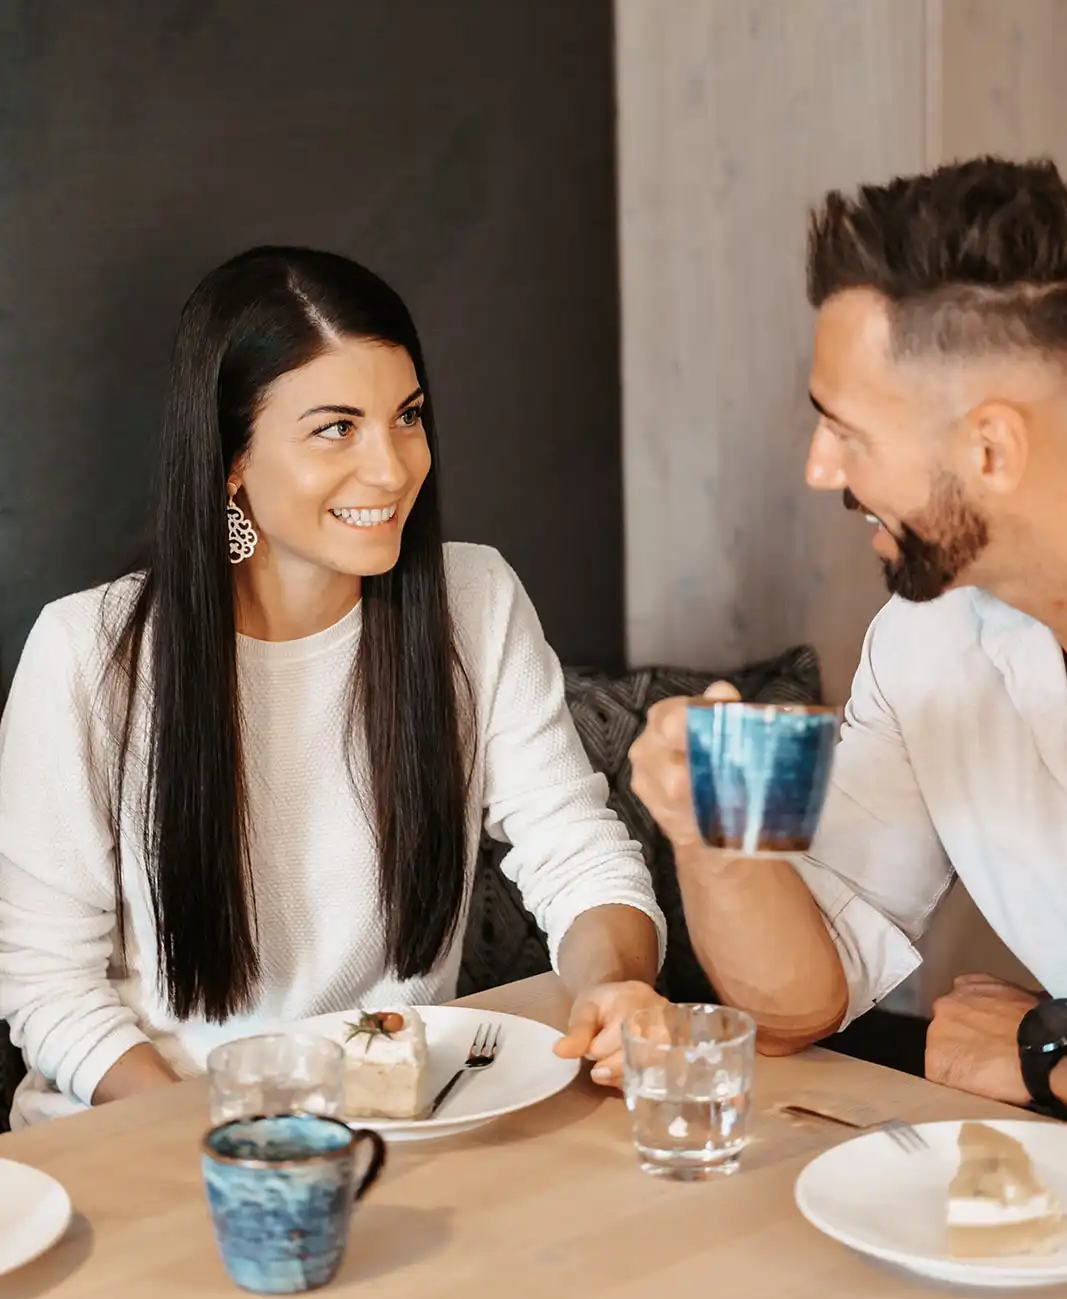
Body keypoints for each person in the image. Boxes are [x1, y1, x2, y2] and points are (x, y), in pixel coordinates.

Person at [0, 246, 664, 1127]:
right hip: (147, 1145)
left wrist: (614, 987)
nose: (391, 469)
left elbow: (577, 853)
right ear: (230, 459)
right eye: (335, 427)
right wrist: (239, 1144)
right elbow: (48, 984)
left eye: (407, 417)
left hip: (403, 1123)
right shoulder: (88, 654)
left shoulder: (474, 601)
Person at [629, 156, 1067, 1114]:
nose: (818, 469)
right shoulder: (929, 638)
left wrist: (1046, 1053)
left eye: (847, 432)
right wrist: (718, 848)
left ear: (988, 449)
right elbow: (798, 1007)